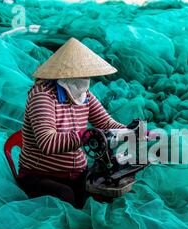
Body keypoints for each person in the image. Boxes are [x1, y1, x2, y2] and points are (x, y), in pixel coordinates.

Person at [17, 37, 125, 209]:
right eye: (82, 73)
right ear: (66, 74)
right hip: (40, 175)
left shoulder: (85, 95)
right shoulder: (42, 96)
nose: (86, 77)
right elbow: (47, 142)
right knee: (65, 196)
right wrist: (86, 136)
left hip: (75, 173)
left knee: (105, 187)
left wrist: (132, 132)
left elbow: (106, 122)